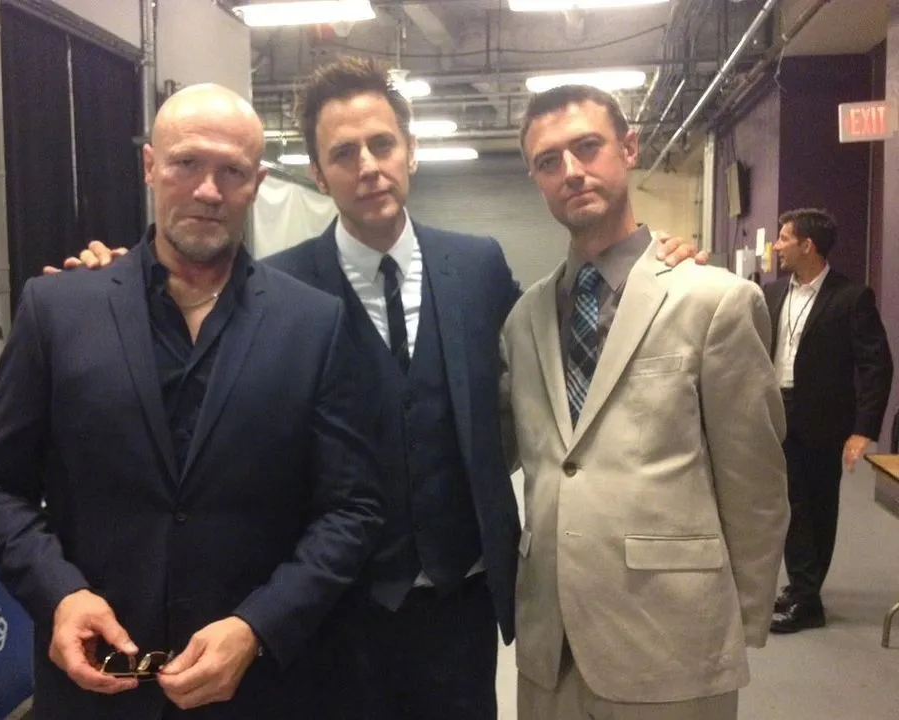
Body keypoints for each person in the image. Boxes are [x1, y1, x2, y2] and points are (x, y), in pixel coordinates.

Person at [63, 60, 703, 719]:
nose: (368, 166)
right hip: (327, 614)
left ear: (410, 152)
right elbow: (179, 314)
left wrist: (647, 260)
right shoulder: (274, 289)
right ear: (318, 174)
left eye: (382, 144)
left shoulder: (477, 266)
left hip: (460, 604)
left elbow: (559, 335)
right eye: (344, 153)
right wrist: (113, 276)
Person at [0, 84, 385, 719]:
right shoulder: (58, 310)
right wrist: (60, 596)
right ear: (150, 165)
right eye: (187, 163)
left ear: (257, 182)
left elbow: (352, 509)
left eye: (232, 171)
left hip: (257, 692)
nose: (208, 191)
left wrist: (258, 627)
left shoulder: (312, 324)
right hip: (96, 689)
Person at [502, 84, 789, 719]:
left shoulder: (713, 301)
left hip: (672, 642)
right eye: (548, 161)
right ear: (535, 178)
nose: (570, 171)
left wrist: (731, 628)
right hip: (550, 645)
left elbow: (756, 486)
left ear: (629, 148)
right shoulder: (523, 320)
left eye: (587, 147)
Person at [765, 208, 894, 633]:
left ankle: (806, 594)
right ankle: (805, 593)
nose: (777, 246)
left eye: (785, 238)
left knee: (819, 505)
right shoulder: (772, 293)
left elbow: (876, 365)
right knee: (793, 503)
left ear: (808, 246)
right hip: (777, 411)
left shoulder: (851, 297)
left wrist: (863, 429)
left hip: (823, 418)